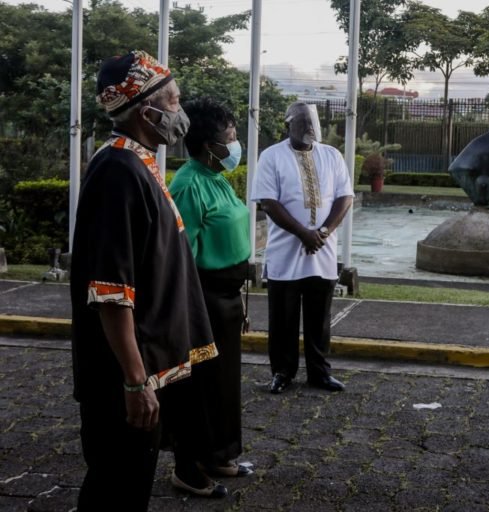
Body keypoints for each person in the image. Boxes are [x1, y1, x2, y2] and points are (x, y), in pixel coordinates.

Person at [70, 50, 218, 511]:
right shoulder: (118, 170)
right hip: (125, 377)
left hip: (148, 369)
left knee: (129, 483)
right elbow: (112, 290)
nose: (180, 113)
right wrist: (136, 381)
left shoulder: (137, 162)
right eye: (172, 101)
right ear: (144, 109)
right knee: (116, 486)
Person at [168, 97, 253, 484]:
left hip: (228, 299)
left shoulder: (216, 176)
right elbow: (182, 258)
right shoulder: (187, 185)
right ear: (207, 144)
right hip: (204, 299)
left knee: (224, 384)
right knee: (201, 386)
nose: (235, 144)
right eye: (229, 137)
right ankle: (191, 464)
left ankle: (221, 453)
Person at [251, 101, 354, 394]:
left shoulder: (331, 155)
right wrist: (303, 234)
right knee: (283, 317)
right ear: (288, 125)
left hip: (322, 251)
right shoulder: (271, 156)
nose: (309, 129)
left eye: (312, 123)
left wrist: (323, 232)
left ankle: (319, 373)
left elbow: (345, 197)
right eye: (302, 123)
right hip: (286, 252)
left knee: (319, 317)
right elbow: (268, 202)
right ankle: (282, 372)